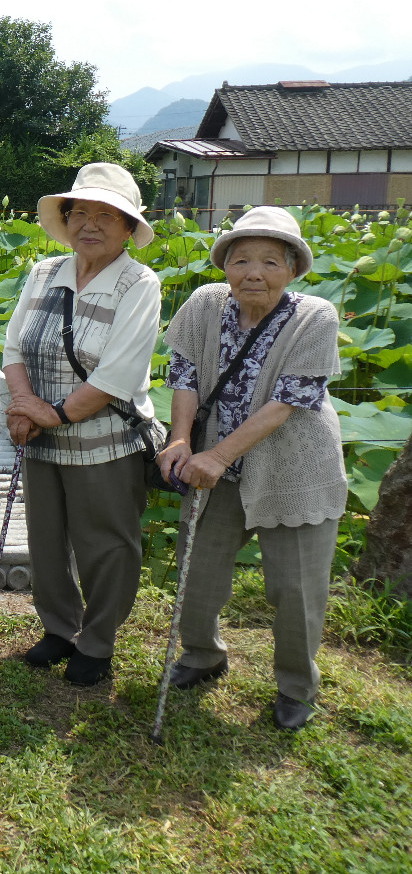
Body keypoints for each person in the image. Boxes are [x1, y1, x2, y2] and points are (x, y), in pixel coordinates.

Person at [156, 206, 345, 730]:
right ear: (225, 266)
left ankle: (296, 687)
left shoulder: (315, 317)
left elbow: (287, 402)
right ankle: (201, 654)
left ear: (292, 268)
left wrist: (217, 455)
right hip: (213, 468)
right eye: (240, 260)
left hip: (295, 471)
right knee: (198, 569)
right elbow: (186, 375)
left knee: (295, 587)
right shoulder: (204, 304)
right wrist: (180, 438)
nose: (253, 273)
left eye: (269, 261)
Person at [2, 163, 161, 686]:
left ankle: (97, 640)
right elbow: (13, 346)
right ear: (66, 219)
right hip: (42, 437)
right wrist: (23, 402)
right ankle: (59, 628)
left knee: (107, 543)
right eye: (80, 213)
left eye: (105, 215)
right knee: (46, 537)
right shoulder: (44, 272)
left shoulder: (139, 283)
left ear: (127, 227)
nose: (90, 224)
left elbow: (120, 371)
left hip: (105, 440)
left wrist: (56, 413)